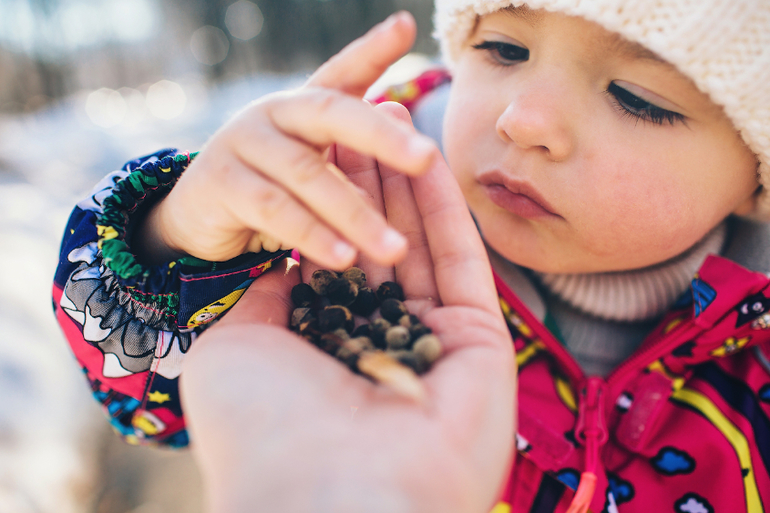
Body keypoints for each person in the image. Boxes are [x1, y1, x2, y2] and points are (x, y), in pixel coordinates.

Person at [51, 0, 770, 511]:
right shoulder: (354, 217)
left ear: (754, 175)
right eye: (505, 49)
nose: (524, 120)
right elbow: (152, 404)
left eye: (637, 97)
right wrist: (179, 238)